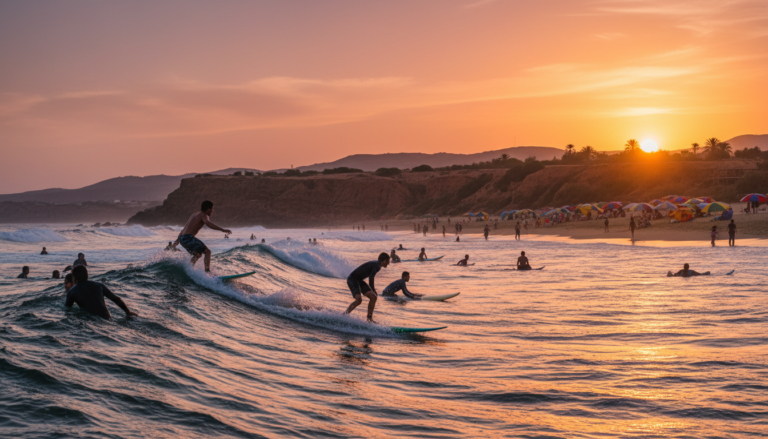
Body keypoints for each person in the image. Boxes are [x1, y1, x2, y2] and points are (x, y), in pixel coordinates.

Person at [171, 200, 232, 272]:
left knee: (198, 254)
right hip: (188, 238)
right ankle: (207, 272)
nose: (213, 211)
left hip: (182, 238)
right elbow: (208, 223)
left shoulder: (195, 214)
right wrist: (222, 230)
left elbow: (184, 229)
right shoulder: (204, 215)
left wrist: (177, 241)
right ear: (209, 209)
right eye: (212, 209)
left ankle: (189, 269)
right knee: (207, 251)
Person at [65, 266, 137, 320]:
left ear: (74, 278)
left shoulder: (72, 291)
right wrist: (128, 312)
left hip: (90, 320)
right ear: (87, 275)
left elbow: (67, 310)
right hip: (106, 317)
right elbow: (115, 299)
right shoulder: (98, 285)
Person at [344, 252, 390, 321]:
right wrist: (373, 290)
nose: (388, 263)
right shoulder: (378, 266)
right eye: (388, 261)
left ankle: (369, 319)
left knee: (373, 297)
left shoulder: (377, 264)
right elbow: (371, 277)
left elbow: (371, 277)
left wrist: (373, 291)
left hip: (359, 280)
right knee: (359, 300)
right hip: (352, 279)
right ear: (384, 261)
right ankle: (344, 315)